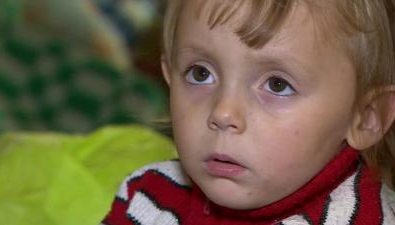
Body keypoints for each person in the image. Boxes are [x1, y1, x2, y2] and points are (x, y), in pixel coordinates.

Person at [101, 0, 395, 224]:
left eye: (277, 85)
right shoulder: (146, 197)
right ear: (169, 75)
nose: (223, 112)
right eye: (200, 74)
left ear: (367, 117)